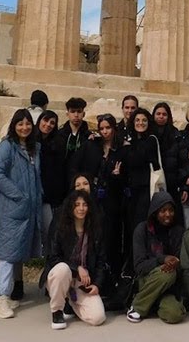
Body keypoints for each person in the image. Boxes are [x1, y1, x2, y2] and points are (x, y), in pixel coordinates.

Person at [0, 108, 42, 319]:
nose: (24, 127)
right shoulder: (7, 146)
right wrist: (18, 194)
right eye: (20, 123)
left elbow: (37, 177)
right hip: (10, 208)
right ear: (14, 125)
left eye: (28, 123)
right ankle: (1, 297)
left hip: (27, 208)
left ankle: (2, 294)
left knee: (15, 252)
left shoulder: (34, 148)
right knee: (8, 255)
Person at [45, 190, 108, 329]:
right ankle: (57, 311)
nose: (81, 208)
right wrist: (77, 268)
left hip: (81, 282)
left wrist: (97, 284)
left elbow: (101, 261)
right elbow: (53, 258)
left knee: (98, 318)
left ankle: (71, 303)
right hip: (61, 277)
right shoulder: (60, 227)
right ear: (71, 207)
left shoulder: (95, 230)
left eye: (84, 205)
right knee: (62, 269)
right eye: (77, 204)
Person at [73, 114, 125, 276]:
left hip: (112, 202)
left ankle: (109, 278)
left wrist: (117, 176)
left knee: (110, 240)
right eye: (101, 128)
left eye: (108, 128)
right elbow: (77, 165)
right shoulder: (92, 145)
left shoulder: (121, 149)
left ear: (114, 129)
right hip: (92, 200)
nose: (104, 131)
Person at [128, 191, 187, 324]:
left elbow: (182, 263)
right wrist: (162, 259)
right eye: (163, 211)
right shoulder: (142, 230)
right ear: (155, 212)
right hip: (147, 279)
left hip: (168, 286)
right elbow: (139, 267)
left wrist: (175, 263)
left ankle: (151, 303)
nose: (168, 214)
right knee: (167, 274)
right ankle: (137, 306)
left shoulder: (178, 231)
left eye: (171, 210)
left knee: (175, 315)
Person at [119, 107, 164, 264]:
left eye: (144, 120)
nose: (140, 123)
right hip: (130, 191)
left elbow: (136, 159)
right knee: (130, 227)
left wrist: (127, 148)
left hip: (145, 190)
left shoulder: (151, 140)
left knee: (141, 226)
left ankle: (141, 262)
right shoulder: (130, 139)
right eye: (137, 120)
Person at [38, 110, 66, 260]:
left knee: (50, 235)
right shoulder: (31, 143)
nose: (48, 125)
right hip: (30, 195)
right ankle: (17, 280)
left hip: (48, 198)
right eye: (46, 120)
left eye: (52, 123)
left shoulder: (57, 144)